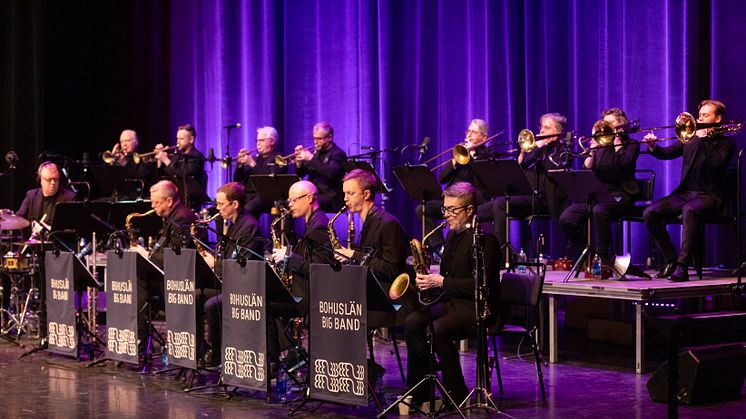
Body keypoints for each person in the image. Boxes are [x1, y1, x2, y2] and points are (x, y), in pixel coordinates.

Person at [405, 182, 500, 406]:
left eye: (452, 210)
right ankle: (420, 392)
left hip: (478, 307)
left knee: (437, 330)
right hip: (454, 303)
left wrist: (442, 281)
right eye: (445, 209)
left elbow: (480, 285)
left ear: (469, 210)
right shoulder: (453, 235)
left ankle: (455, 394)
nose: (446, 215)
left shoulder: (486, 240)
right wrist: (428, 278)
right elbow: (448, 274)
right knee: (413, 321)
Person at [643, 99, 736, 282]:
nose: (700, 118)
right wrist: (653, 146)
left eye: (705, 115)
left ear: (717, 119)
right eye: (700, 114)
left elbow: (716, 164)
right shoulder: (691, 138)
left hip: (709, 195)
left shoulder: (726, 143)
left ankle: (682, 267)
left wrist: (703, 141)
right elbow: (667, 153)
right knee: (650, 212)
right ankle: (670, 259)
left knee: (689, 210)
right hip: (686, 193)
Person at [559, 108, 640, 267]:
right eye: (605, 123)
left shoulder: (632, 144)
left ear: (622, 124)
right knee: (567, 218)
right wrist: (592, 151)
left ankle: (604, 258)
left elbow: (624, 166)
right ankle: (590, 256)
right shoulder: (601, 145)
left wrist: (618, 146)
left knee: (599, 210)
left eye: (611, 122)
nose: (607, 126)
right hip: (599, 194)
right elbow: (586, 169)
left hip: (620, 194)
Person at [202, 182, 262, 367]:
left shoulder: (248, 226)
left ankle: (217, 351)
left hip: (246, 288)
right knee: (197, 293)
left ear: (234, 204)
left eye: (221, 204)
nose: (217, 209)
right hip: (231, 282)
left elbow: (240, 263)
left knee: (212, 304)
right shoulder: (233, 224)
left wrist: (215, 264)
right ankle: (200, 347)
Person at [492, 113, 570, 255]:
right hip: (525, 195)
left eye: (546, 128)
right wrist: (522, 153)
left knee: (500, 204)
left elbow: (553, 171)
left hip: (544, 200)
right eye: (541, 127)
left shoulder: (563, 150)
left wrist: (540, 148)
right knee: (483, 209)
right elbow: (518, 171)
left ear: (557, 131)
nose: (541, 131)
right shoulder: (536, 149)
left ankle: (501, 256)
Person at [417, 119, 494, 251]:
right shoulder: (459, 154)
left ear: (484, 137)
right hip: (452, 202)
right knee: (422, 209)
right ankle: (439, 248)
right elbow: (442, 178)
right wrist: (454, 161)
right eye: (468, 131)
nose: (469, 135)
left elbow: (484, 180)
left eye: (474, 132)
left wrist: (471, 156)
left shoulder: (488, 155)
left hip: (473, 201)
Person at [270, 180, 331, 313]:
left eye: (294, 200)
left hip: (310, 297)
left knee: (266, 307)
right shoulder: (312, 223)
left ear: (309, 198)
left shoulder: (319, 227)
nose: (290, 205)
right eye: (289, 201)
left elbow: (318, 268)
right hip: (304, 291)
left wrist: (288, 257)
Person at [234, 126, 288, 217]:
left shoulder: (279, 159)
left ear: (272, 141)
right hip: (248, 195)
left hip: (267, 195)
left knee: (247, 210)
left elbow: (269, 182)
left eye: (262, 141)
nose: (258, 144)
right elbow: (238, 181)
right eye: (257, 141)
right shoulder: (256, 158)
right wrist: (240, 165)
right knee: (229, 208)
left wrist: (252, 164)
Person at [294, 121, 347, 212]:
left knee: (307, 202)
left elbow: (330, 173)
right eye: (314, 138)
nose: (315, 142)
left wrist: (311, 159)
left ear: (330, 137)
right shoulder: (316, 154)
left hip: (331, 197)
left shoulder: (338, 154)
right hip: (314, 194)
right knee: (290, 202)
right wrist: (298, 163)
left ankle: (313, 226)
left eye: (319, 139)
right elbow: (301, 174)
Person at [154, 124, 208, 209]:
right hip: (174, 200)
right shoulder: (176, 156)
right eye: (177, 138)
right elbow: (163, 176)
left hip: (190, 202)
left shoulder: (197, 156)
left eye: (181, 139)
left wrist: (166, 160)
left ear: (191, 139)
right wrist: (159, 160)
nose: (177, 142)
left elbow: (184, 174)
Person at [147, 180, 198, 269]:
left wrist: (146, 255)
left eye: (156, 202)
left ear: (169, 201)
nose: (152, 206)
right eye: (152, 202)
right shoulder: (174, 215)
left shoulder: (181, 219)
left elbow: (175, 256)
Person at [17, 161, 75, 227]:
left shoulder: (69, 198)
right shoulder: (31, 195)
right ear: (40, 179)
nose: (53, 183)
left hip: (56, 237)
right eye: (49, 179)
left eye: (55, 179)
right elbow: (19, 218)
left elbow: (72, 227)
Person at [106, 129, 157, 200]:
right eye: (122, 141)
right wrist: (112, 160)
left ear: (136, 142)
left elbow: (139, 181)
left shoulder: (144, 158)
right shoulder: (119, 158)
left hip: (134, 196)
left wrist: (125, 164)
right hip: (118, 195)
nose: (124, 144)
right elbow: (108, 179)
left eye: (127, 141)